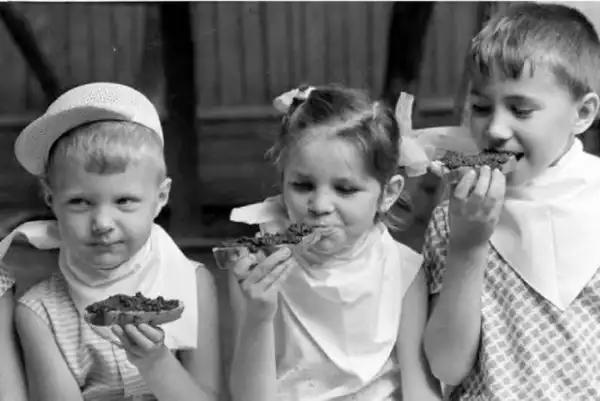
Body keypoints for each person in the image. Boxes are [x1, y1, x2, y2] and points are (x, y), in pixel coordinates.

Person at [422, 3, 600, 400]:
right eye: (481, 108)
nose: (496, 129)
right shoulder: (453, 216)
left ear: (583, 113)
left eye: (521, 110)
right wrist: (467, 245)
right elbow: (446, 365)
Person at [6, 82, 221, 401]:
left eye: (124, 201)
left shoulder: (191, 283)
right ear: (51, 199)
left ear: (161, 197)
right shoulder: (40, 312)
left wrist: (156, 363)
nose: (102, 224)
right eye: (80, 202)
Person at [225, 85, 442, 400]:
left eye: (345, 189)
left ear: (388, 194)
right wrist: (258, 316)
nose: (319, 205)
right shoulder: (256, 268)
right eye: (303, 185)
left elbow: (419, 389)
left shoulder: (404, 271)